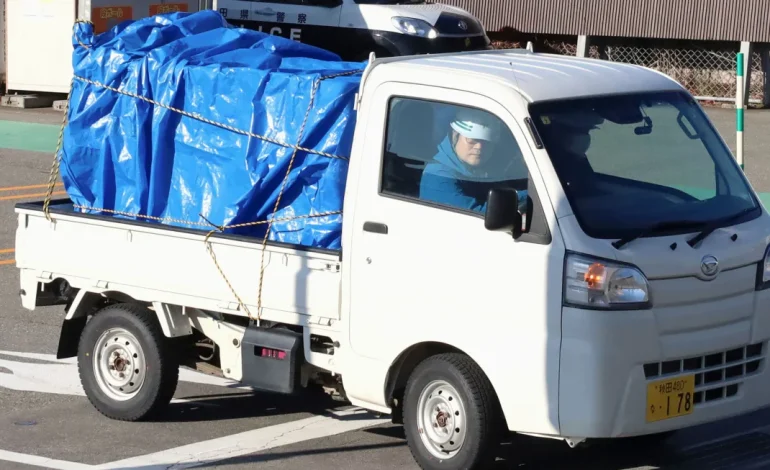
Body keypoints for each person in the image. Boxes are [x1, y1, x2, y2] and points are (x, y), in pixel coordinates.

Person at [419, 108, 504, 213]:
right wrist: (522, 198)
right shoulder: (437, 176)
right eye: (472, 139)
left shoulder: (481, 171)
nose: (479, 146)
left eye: (486, 142)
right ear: (455, 135)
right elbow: (477, 216)